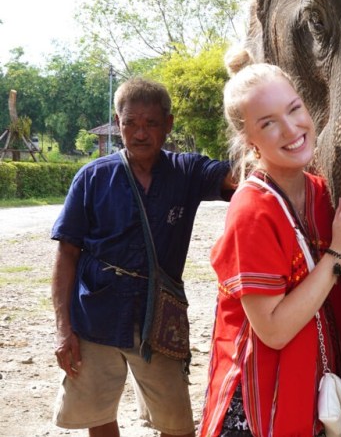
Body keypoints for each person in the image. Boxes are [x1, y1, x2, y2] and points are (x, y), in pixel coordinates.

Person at [199, 49, 341, 437]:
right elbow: (274, 330)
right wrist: (339, 250)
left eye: (294, 109)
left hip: (316, 378)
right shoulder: (251, 210)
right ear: (250, 142)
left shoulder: (321, 194)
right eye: (269, 124)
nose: (292, 129)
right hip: (263, 396)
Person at [51, 77, 237, 437]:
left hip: (158, 320)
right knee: (98, 413)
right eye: (130, 123)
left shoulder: (187, 171)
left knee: (176, 422)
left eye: (151, 123)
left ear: (168, 125)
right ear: (118, 124)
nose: (140, 133)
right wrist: (63, 330)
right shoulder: (92, 177)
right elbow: (66, 255)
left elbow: (235, 177)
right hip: (95, 316)